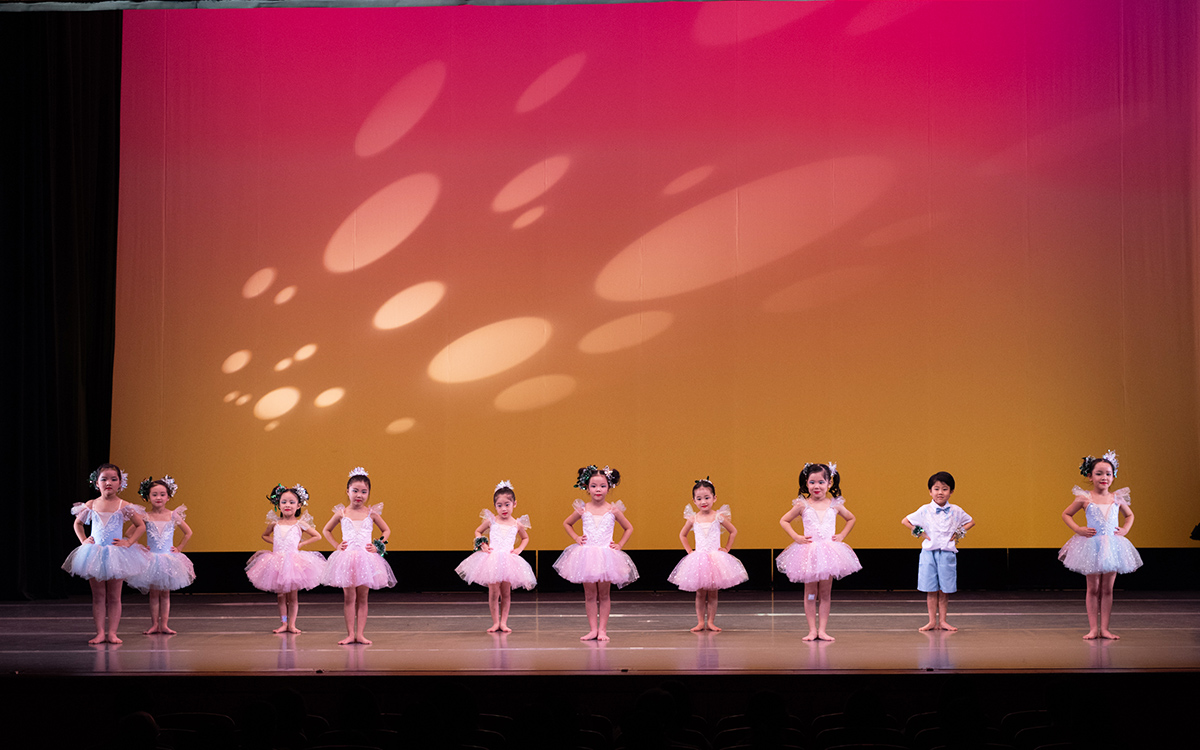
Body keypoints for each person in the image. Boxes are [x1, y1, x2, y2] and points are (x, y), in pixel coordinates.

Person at [62, 463, 150, 644]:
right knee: (98, 596)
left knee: (114, 596)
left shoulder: (124, 505)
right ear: (97, 483)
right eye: (104, 479)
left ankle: (112, 633)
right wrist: (83, 540)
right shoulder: (91, 504)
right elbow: (78, 523)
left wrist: (128, 542)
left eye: (113, 479)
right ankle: (100, 633)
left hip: (116, 555)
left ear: (120, 483)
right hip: (94, 554)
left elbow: (141, 525)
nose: (108, 482)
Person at [1059, 451, 1141, 639]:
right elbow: (1066, 514)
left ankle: (1104, 629)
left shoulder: (1117, 498)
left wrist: (1125, 529)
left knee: (1107, 589)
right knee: (1093, 588)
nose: (1104, 477)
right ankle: (1093, 629)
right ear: (1090, 476)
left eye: (1108, 474)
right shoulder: (1084, 497)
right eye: (1099, 473)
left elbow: (1130, 515)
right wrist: (1078, 529)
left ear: (1113, 476)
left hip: (1112, 547)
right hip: (1091, 546)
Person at [776, 462, 860, 641]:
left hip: (829, 554)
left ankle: (822, 630)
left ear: (829, 483)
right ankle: (812, 630)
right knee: (810, 593)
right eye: (812, 482)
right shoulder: (802, 505)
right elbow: (784, 520)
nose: (817, 486)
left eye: (821, 482)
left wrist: (842, 535)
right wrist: (796, 537)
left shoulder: (834, 505)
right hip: (809, 553)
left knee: (825, 593)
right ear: (806, 483)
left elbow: (851, 518)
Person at [554, 465, 637, 640]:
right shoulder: (583, 509)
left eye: (602, 486)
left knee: (604, 594)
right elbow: (567, 523)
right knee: (590, 595)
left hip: (607, 556)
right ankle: (593, 629)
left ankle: (603, 630)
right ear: (587, 487)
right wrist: (576, 537)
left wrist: (620, 544)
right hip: (587, 556)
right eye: (593, 486)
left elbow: (628, 527)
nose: (598, 489)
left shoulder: (613, 510)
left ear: (609, 487)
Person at [321, 467, 395, 644]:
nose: (359, 495)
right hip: (346, 560)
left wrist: (378, 546)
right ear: (347, 492)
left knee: (362, 598)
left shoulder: (371, 513)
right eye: (355, 491)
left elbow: (386, 530)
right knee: (349, 598)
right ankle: (350, 634)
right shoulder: (342, 513)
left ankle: (360, 634)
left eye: (363, 491)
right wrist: (337, 545)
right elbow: (326, 530)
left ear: (368, 493)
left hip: (366, 560)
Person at [667, 477, 748, 632]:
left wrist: (727, 548)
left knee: (713, 593)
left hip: (716, 559)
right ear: (694, 500)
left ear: (714, 498)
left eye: (706, 497)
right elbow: (682, 535)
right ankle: (700, 622)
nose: (703, 501)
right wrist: (689, 551)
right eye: (699, 499)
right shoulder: (693, 518)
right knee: (699, 593)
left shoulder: (718, 516)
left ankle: (710, 621)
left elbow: (733, 531)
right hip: (699, 560)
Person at [455, 480, 537, 632]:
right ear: (495, 506)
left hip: (509, 561)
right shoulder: (491, 521)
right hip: (492, 559)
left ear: (514, 504)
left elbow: (525, 538)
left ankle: (503, 622)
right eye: (499, 505)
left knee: (506, 593)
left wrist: (519, 549)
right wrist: (482, 544)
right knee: (493, 593)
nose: (503, 508)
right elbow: (478, 531)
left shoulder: (517, 524)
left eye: (507, 504)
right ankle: (495, 622)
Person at [245, 483, 326, 633]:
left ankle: (292, 624)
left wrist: (302, 544)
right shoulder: (274, 523)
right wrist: (276, 543)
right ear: (278, 504)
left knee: (293, 597)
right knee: (281, 596)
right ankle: (283, 623)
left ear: (298, 505)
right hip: (277, 562)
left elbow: (317, 536)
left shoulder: (300, 524)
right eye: (284, 502)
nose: (287, 505)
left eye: (291, 502)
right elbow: (264, 535)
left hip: (293, 563)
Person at [901, 471, 975, 631]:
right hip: (929, 553)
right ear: (930, 491)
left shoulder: (956, 510)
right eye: (936, 489)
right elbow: (906, 521)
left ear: (951, 491)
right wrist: (920, 533)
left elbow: (970, 522)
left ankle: (943, 621)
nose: (940, 492)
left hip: (947, 553)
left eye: (945, 489)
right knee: (931, 589)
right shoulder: (925, 510)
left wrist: (958, 533)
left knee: (944, 590)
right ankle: (931, 621)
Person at [128, 475, 194, 634]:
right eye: (154, 494)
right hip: (151, 559)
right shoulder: (145, 516)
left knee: (165, 594)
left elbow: (188, 532)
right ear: (148, 497)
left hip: (168, 559)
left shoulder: (173, 515)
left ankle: (164, 625)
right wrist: (139, 547)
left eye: (162, 494)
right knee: (153, 594)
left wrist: (179, 547)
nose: (159, 497)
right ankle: (154, 625)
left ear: (168, 497)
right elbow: (129, 533)